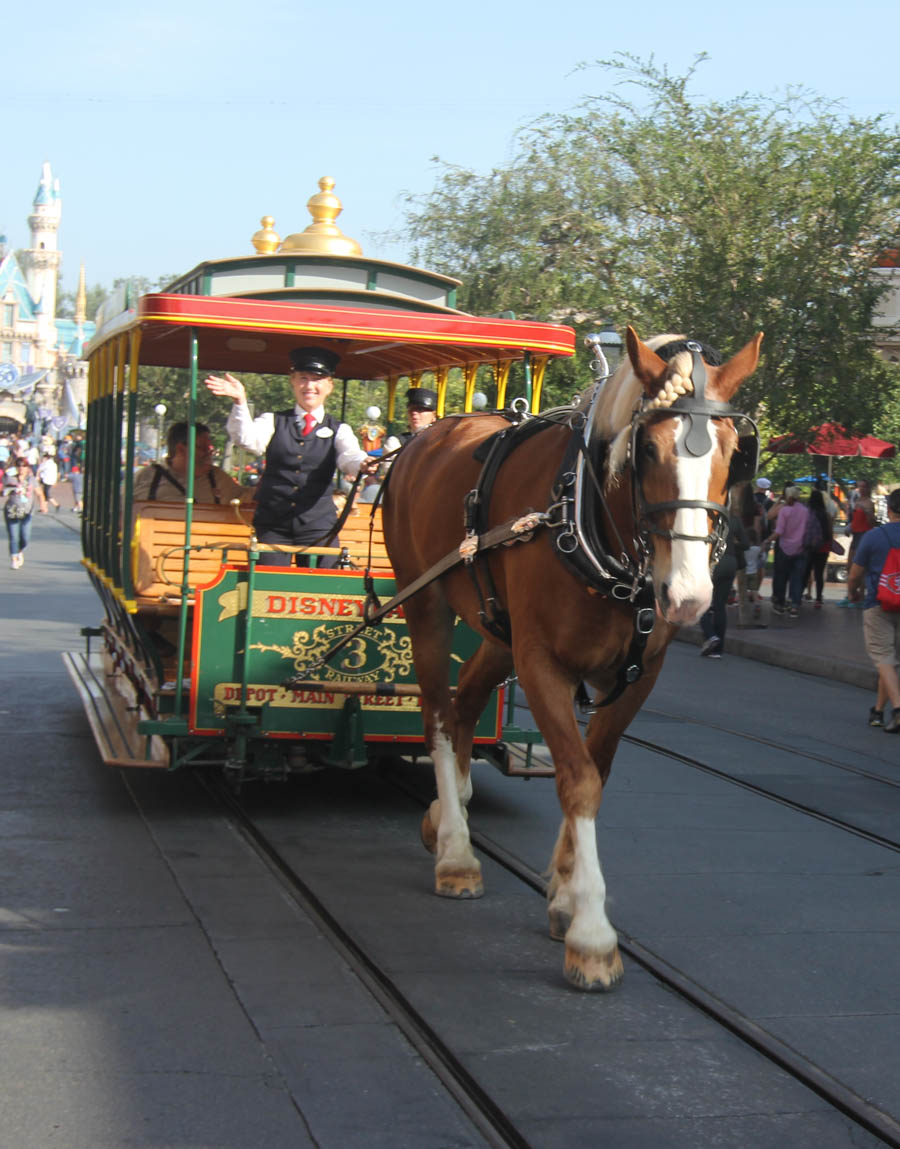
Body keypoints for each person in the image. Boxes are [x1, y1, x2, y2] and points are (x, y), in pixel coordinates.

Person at [204, 346, 378, 566]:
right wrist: (240, 401)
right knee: (267, 587)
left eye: (317, 380)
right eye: (303, 378)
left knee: (322, 587)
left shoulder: (339, 429)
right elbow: (248, 440)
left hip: (318, 525)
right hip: (274, 524)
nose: (309, 386)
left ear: (329, 386)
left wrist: (362, 464)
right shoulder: (272, 421)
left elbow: (349, 457)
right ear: (293, 382)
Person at [847, 488, 900, 732]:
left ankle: (898, 709)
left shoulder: (874, 535)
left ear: (888, 508)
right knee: (889, 661)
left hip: (878, 603)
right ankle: (878, 711)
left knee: (883, 658)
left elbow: (855, 573)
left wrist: (852, 592)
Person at [133, 422, 252, 505]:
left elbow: (245, 497)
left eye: (210, 449)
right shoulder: (146, 477)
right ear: (181, 449)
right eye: (203, 448)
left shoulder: (218, 479)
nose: (209, 453)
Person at [699, 501, 748, 658]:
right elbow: (746, 544)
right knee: (720, 606)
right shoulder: (734, 519)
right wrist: (731, 548)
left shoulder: (707, 517)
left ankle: (710, 635)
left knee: (702, 604)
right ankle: (718, 649)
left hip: (712, 562)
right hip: (730, 562)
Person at [770, 485, 809, 617]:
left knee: (781, 577)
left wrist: (766, 541)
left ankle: (780, 604)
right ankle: (794, 605)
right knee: (797, 578)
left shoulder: (784, 511)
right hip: (801, 549)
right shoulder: (805, 511)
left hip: (784, 548)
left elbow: (779, 531)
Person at [3, 458, 38, 569]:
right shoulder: (10, 478)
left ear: (27, 467)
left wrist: (43, 504)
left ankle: (19, 550)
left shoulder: (31, 479)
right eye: (19, 465)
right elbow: (2, 491)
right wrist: (7, 490)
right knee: (13, 536)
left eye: (23, 466)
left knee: (25, 537)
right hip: (12, 510)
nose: (21, 468)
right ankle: (14, 559)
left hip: (27, 512)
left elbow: (39, 492)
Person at [803, 489, 833, 609]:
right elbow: (830, 532)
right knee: (819, 574)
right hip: (823, 547)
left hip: (809, 546)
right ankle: (819, 598)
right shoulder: (826, 515)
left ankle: (798, 596)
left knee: (805, 572)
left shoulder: (807, 513)